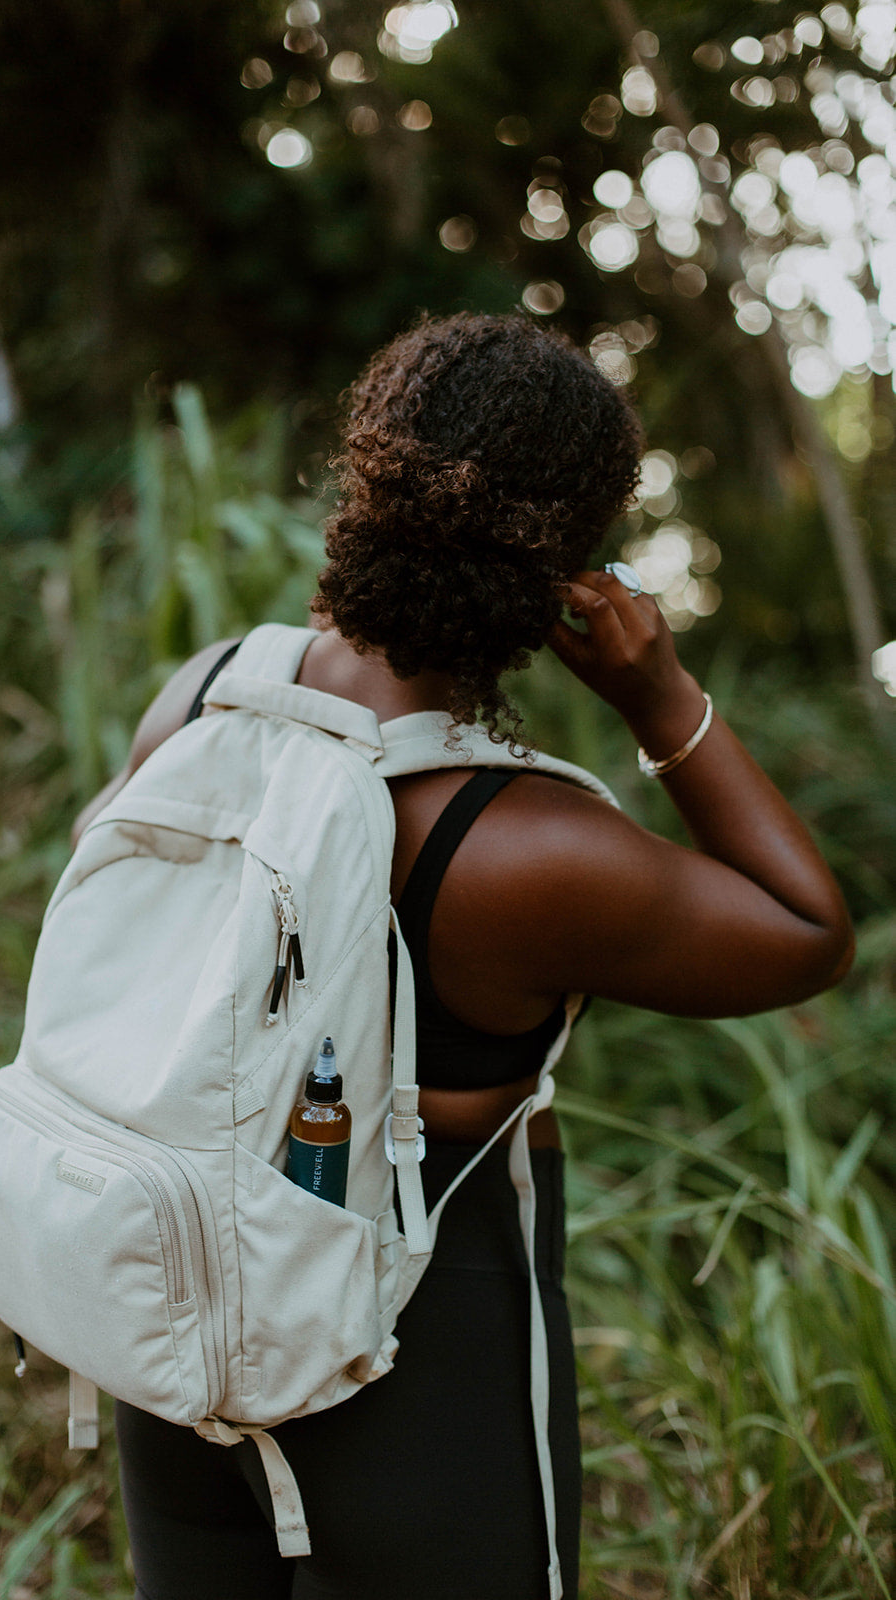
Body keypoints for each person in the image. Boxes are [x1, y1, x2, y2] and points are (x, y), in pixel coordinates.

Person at [73, 313, 854, 1600]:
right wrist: (659, 697)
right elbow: (805, 933)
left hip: (171, 1321)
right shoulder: (524, 848)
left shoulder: (207, 695)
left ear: (368, 475)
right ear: (562, 561)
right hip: (412, 1359)